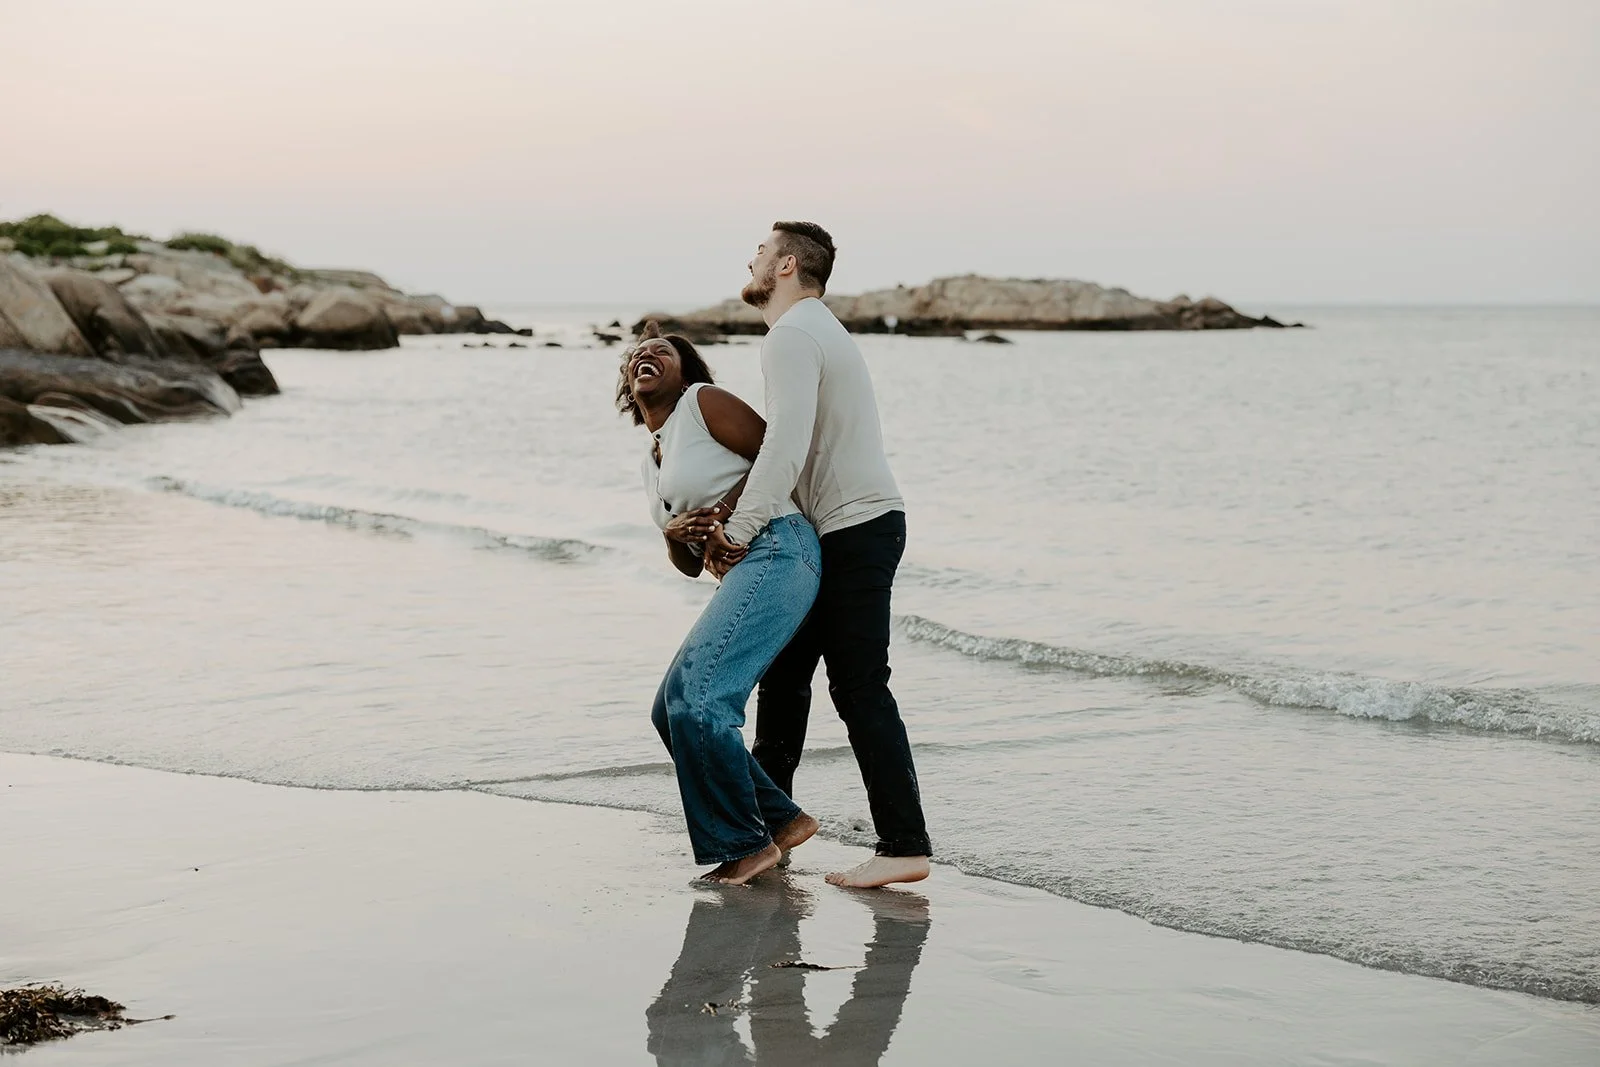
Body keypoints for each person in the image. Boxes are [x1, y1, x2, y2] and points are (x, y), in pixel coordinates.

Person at [706, 222, 933, 889]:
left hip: (856, 528)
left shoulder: (794, 335)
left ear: (785, 267)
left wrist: (741, 530)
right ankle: (768, 831)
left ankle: (904, 844)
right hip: (841, 528)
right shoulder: (811, 330)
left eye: (760, 249)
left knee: (859, 685)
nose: (749, 255)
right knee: (784, 676)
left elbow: (786, 444)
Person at [619, 321, 821, 884]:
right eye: (637, 353)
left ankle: (744, 845)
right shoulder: (652, 463)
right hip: (743, 569)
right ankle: (780, 820)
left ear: (685, 373)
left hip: (781, 546)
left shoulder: (701, 405)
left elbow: (779, 458)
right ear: (627, 383)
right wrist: (675, 533)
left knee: (701, 701)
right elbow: (688, 564)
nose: (647, 355)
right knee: (671, 709)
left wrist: (725, 514)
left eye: (662, 350)